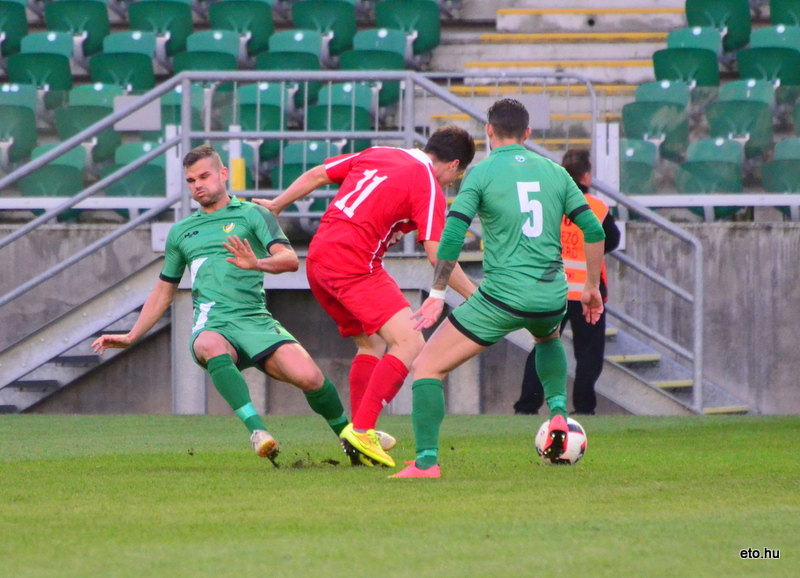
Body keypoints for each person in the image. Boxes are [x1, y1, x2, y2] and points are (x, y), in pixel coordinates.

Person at [92, 145, 350, 463]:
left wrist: (256, 263)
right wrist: (132, 336)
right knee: (209, 344)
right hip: (214, 322)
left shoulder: (254, 214)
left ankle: (352, 439)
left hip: (255, 320)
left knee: (310, 377)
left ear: (223, 174)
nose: (197, 185)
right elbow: (163, 291)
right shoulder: (181, 232)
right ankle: (258, 431)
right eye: (191, 180)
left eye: (204, 176)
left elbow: (289, 260)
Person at [394, 99, 606, 479]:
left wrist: (438, 293)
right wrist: (590, 286)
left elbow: (453, 234)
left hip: (502, 297)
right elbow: (594, 230)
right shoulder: (556, 172)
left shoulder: (482, 172)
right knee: (547, 337)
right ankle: (559, 413)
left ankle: (426, 462)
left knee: (426, 367)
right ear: (528, 133)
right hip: (551, 296)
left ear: (489, 131)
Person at [254, 126, 477, 468]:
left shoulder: (380, 152)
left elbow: (318, 174)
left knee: (372, 344)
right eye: (455, 178)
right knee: (411, 342)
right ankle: (362, 430)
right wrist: (476, 295)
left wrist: (277, 204)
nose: (450, 184)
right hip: (353, 263)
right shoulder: (428, 184)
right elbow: (438, 254)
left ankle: (360, 439)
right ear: (454, 165)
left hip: (318, 259)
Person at [514, 149, 621, 416]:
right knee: (588, 353)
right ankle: (583, 407)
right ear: (586, 176)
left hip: (551, 288)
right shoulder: (597, 207)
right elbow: (612, 239)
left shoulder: (549, 202)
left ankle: (527, 405)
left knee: (543, 348)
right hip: (587, 290)